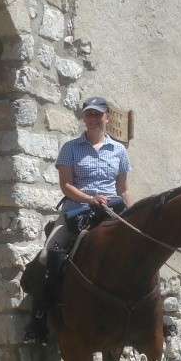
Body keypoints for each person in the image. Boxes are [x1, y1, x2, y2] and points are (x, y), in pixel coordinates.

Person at [23, 96, 131, 343]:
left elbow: (123, 189)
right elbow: (66, 185)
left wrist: (132, 215)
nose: (92, 118)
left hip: (112, 209)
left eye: (97, 114)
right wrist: (90, 199)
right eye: (88, 114)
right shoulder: (71, 148)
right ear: (84, 118)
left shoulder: (119, 151)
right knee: (46, 255)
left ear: (107, 117)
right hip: (77, 210)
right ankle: (38, 321)